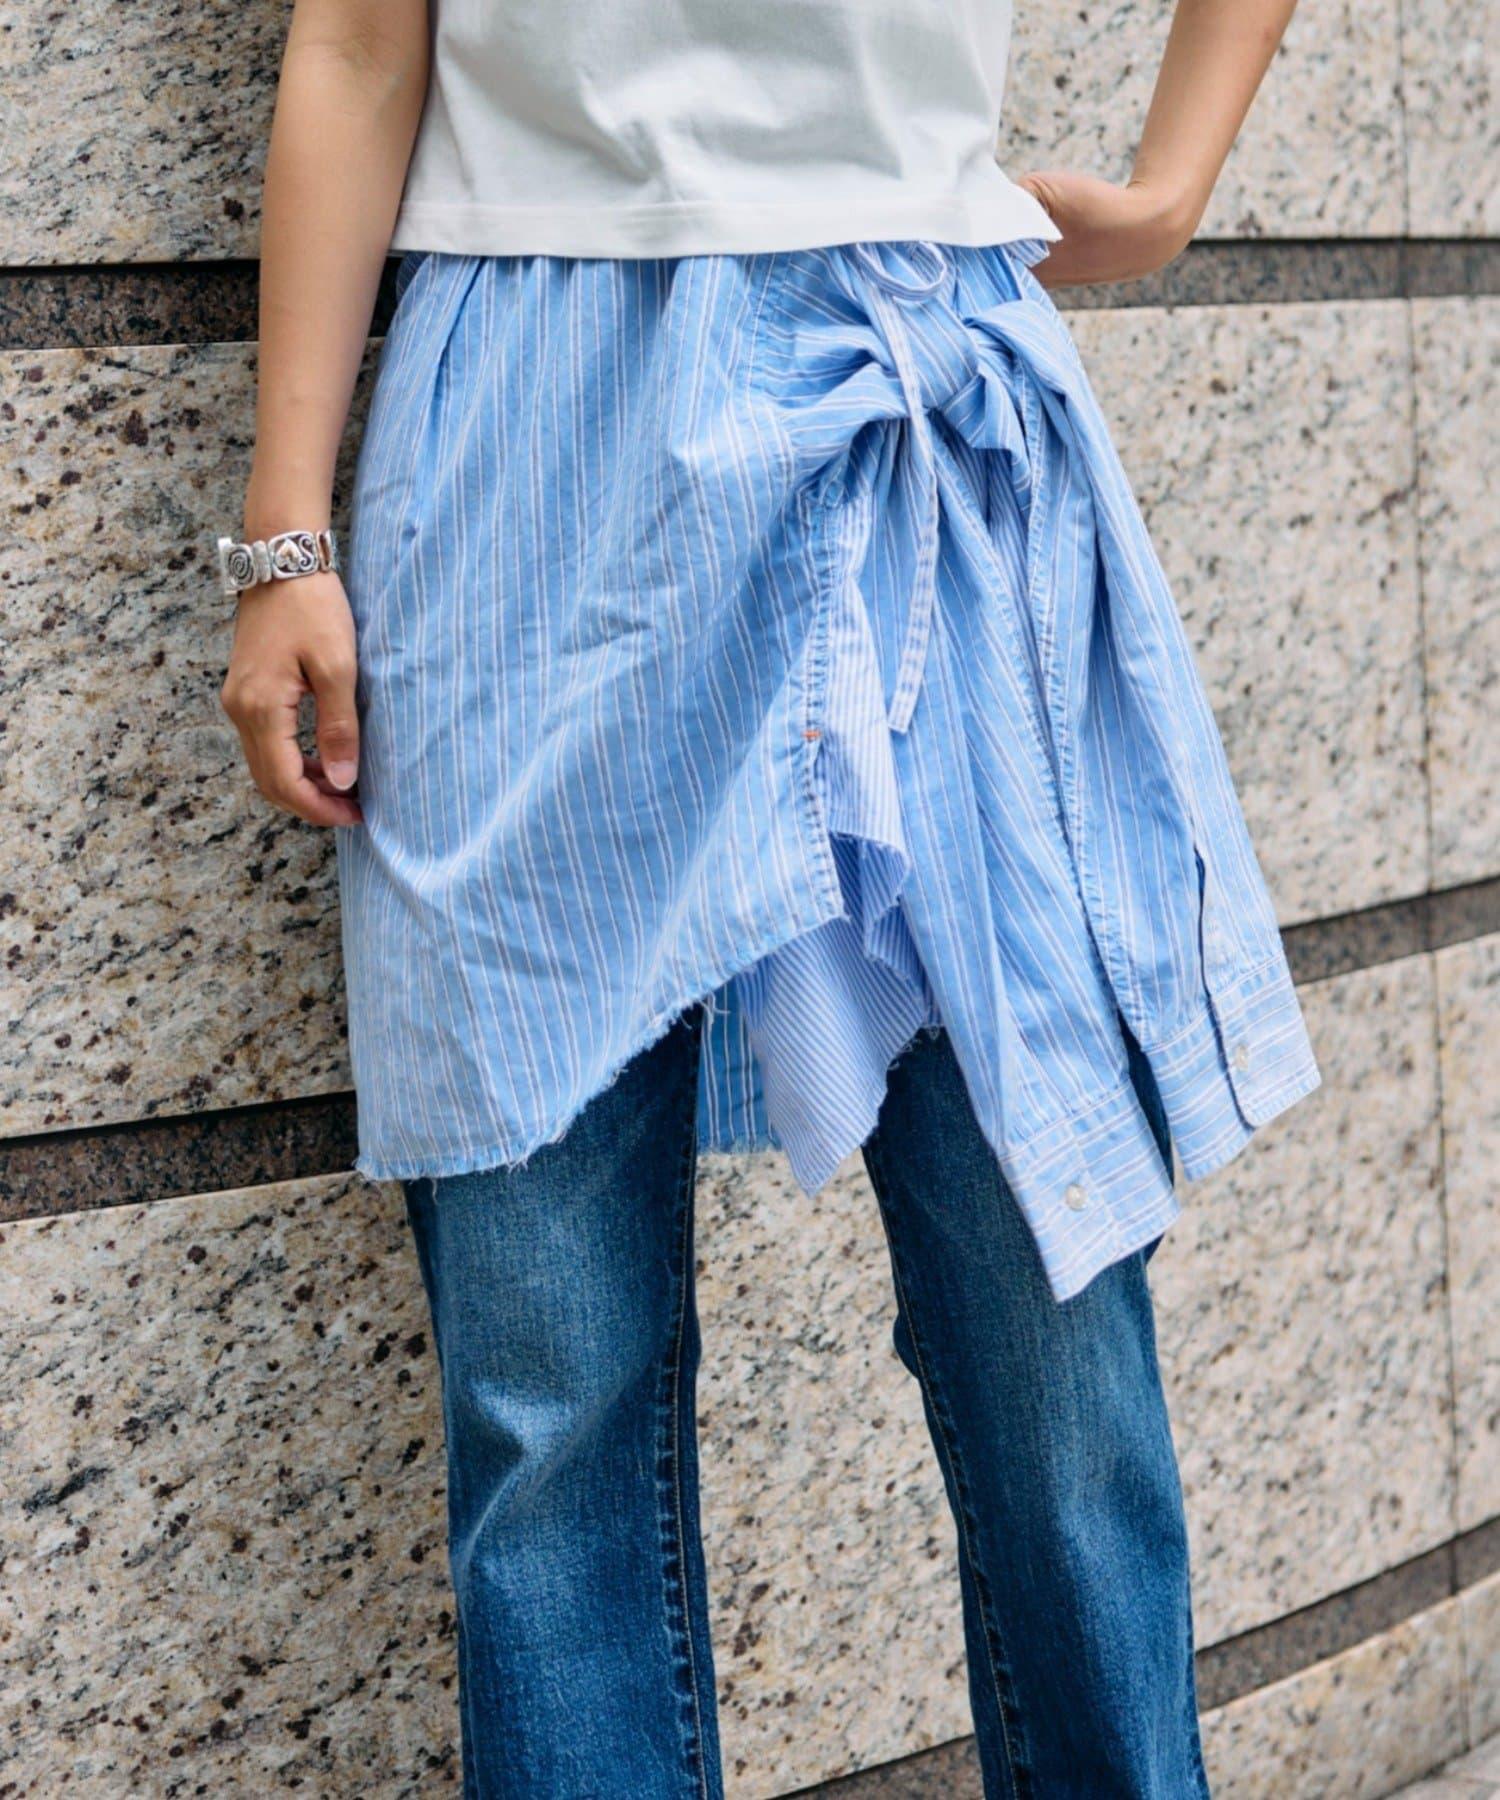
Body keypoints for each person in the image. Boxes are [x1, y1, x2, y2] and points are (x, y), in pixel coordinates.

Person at [218, 1, 1319, 1792]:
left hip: (913, 410)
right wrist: (285, 539)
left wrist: (1172, 187)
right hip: (528, 447)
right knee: (546, 1387)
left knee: (1053, 1326)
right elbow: (353, 44)